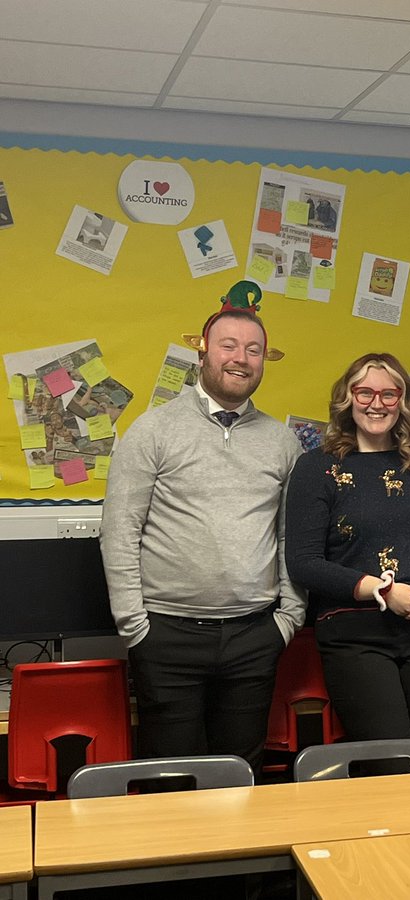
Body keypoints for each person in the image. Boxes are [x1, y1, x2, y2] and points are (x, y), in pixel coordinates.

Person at [101, 297, 304, 770]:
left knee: (240, 771)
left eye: (254, 350)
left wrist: (288, 619)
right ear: (202, 355)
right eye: (228, 345)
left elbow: (292, 537)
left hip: (255, 634)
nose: (241, 358)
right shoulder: (152, 431)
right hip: (167, 635)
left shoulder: (282, 441)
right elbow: (119, 532)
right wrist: (135, 626)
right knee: (171, 775)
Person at [285, 353, 410, 741]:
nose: (376, 403)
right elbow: (303, 562)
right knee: (390, 755)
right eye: (364, 392)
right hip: (355, 629)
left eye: (389, 393)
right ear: (347, 398)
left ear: (403, 400)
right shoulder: (317, 467)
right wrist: (382, 590)